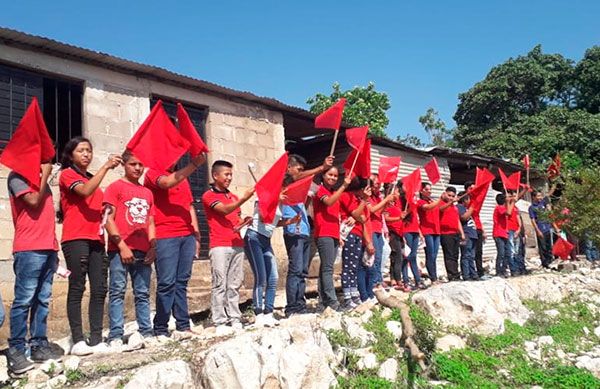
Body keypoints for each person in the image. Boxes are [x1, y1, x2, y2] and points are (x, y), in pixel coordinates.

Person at [59, 137, 121, 355]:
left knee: (100, 288)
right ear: (71, 155)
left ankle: (96, 338)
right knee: (77, 287)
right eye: (81, 151)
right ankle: (77, 340)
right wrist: (106, 166)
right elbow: (84, 192)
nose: (86, 154)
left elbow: (97, 202)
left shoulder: (92, 178)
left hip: (96, 239)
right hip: (75, 238)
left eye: (89, 151)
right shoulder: (68, 174)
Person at [6, 161, 61, 373]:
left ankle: (39, 344)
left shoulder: (42, 179)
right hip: (29, 248)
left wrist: (54, 248)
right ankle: (17, 349)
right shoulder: (17, 175)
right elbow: (33, 200)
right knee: (24, 300)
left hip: (48, 247)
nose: (46, 162)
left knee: (42, 300)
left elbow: (46, 217)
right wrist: (45, 173)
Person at [144, 152, 206, 337]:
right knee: (166, 282)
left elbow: (189, 207)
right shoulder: (152, 173)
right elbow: (166, 183)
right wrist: (194, 164)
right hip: (165, 236)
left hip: (186, 235)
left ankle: (183, 324)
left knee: (182, 282)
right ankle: (161, 328)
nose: (173, 159)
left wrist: (196, 235)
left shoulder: (184, 180)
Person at [104, 151, 156, 352]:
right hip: (120, 251)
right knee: (117, 291)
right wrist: (122, 246)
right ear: (124, 165)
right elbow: (108, 219)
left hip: (143, 249)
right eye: (133, 164)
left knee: (142, 292)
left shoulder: (147, 192)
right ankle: (115, 334)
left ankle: (146, 331)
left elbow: (150, 221)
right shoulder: (114, 188)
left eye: (141, 164)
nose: (137, 168)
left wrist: (153, 247)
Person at [202, 160, 254, 330]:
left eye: (231, 174)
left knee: (234, 283)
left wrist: (244, 222)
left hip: (237, 243)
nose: (229, 178)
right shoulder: (209, 195)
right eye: (226, 174)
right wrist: (244, 199)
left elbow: (235, 220)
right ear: (215, 175)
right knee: (219, 283)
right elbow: (223, 210)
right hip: (219, 245)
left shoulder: (233, 196)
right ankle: (219, 320)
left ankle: (234, 316)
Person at [244, 182, 300, 327]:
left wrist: (291, 221)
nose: (285, 192)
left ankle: (269, 311)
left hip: (266, 239)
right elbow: (263, 217)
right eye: (283, 188)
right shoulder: (263, 198)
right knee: (261, 276)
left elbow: (274, 222)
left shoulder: (280, 203)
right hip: (254, 237)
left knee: (273, 277)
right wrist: (276, 200)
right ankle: (258, 313)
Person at [313, 166, 351, 310]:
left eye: (335, 176)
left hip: (334, 234)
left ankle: (323, 302)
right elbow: (328, 202)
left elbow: (338, 214)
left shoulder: (335, 192)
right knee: (328, 269)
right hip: (324, 233)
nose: (333, 178)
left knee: (325, 267)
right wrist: (344, 186)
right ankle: (333, 301)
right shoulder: (320, 190)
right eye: (330, 174)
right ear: (323, 175)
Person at [339, 177, 373, 308]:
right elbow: (356, 214)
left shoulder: (359, 200)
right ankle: (347, 297)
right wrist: (357, 214)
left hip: (358, 234)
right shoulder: (346, 196)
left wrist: (357, 215)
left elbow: (363, 218)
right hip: (349, 234)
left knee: (353, 267)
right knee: (348, 267)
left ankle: (354, 294)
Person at [439, 187, 465, 281]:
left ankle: (456, 274)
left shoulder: (454, 207)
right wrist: (451, 202)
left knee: (455, 254)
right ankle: (452, 275)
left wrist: (462, 233)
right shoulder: (442, 203)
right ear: (445, 194)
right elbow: (441, 209)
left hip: (455, 233)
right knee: (449, 255)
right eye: (449, 195)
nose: (451, 198)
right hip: (446, 233)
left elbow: (457, 220)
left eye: (453, 196)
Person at [403, 186, 426, 290]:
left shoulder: (414, 201)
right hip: (406, 230)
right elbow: (401, 216)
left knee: (413, 256)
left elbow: (416, 218)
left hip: (415, 231)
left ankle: (417, 280)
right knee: (406, 257)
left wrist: (420, 232)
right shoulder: (403, 201)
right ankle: (406, 281)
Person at [383, 183, 406, 290]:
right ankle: (399, 280)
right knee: (398, 258)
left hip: (399, 233)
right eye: (397, 191)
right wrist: (398, 218)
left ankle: (393, 279)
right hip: (392, 233)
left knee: (395, 258)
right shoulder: (387, 204)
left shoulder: (397, 204)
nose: (399, 193)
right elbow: (386, 218)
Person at [418, 182, 441, 284]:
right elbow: (427, 208)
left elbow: (439, 209)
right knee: (430, 254)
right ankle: (433, 277)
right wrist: (440, 200)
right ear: (421, 191)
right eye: (427, 189)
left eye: (430, 189)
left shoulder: (432, 201)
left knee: (434, 255)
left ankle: (434, 275)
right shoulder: (420, 201)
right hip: (427, 231)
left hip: (436, 230)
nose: (429, 191)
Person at [464, 181, 486, 278]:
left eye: (474, 188)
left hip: (478, 228)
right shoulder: (466, 201)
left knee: (479, 251)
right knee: (470, 252)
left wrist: (483, 230)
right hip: (470, 229)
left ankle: (480, 272)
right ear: (466, 190)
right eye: (470, 188)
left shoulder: (477, 200)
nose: (473, 190)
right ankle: (470, 273)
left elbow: (477, 215)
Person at [529, 190, 553, 268]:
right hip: (540, 229)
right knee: (543, 247)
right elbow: (532, 220)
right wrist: (538, 230)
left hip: (547, 228)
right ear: (533, 197)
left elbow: (549, 194)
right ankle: (545, 263)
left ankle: (550, 261)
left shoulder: (543, 203)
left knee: (549, 246)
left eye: (540, 196)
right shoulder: (532, 207)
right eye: (538, 196)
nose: (540, 197)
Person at [457, 192, 479, 281]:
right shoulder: (459, 207)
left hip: (472, 235)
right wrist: (472, 208)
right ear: (465, 200)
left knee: (471, 256)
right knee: (466, 255)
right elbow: (463, 218)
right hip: (466, 234)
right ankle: (466, 275)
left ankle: (473, 274)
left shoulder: (466, 208)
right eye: (469, 199)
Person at [493, 193, 515, 277]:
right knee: (501, 253)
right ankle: (499, 271)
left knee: (506, 253)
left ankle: (504, 269)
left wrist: (511, 201)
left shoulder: (503, 207)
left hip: (504, 233)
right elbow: (509, 213)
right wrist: (512, 201)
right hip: (498, 234)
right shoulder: (499, 208)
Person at [506, 191, 526, 275]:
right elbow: (508, 213)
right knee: (511, 251)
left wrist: (519, 229)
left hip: (516, 230)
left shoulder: (516, 207)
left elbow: (518, 219)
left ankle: (520, 268)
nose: (513, 198)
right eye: (510, 196)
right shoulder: (505, 206)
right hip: (509, 230)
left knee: (518, 251)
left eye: (513, 196)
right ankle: (513, 270)